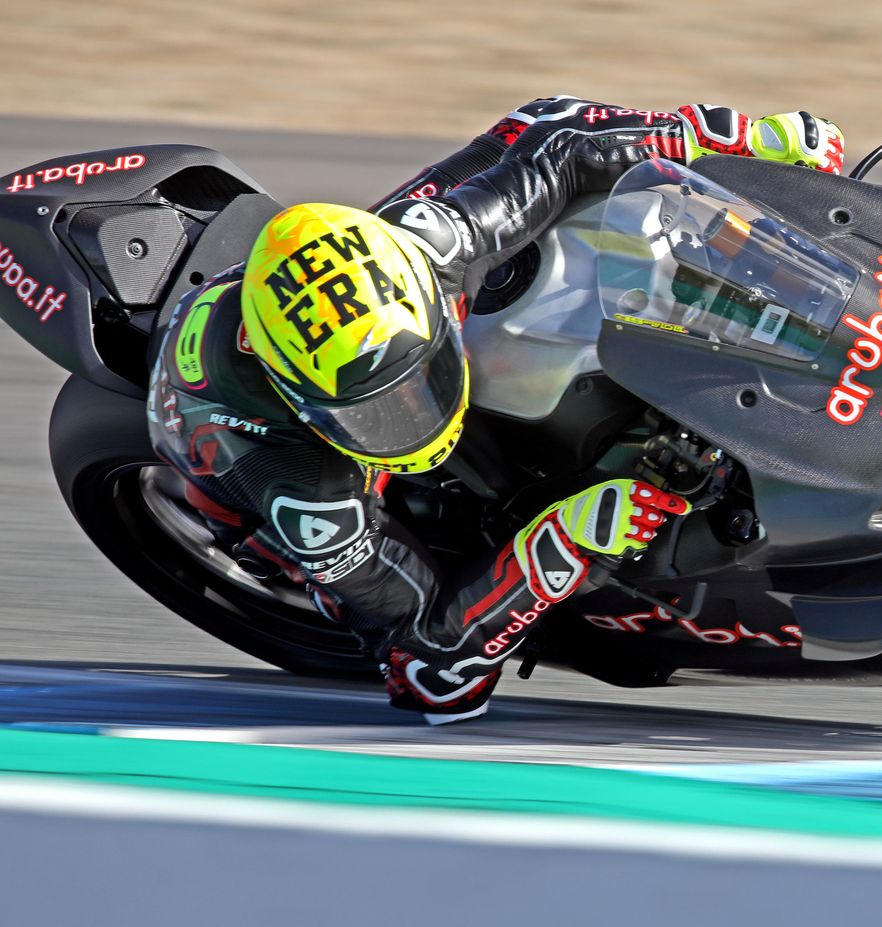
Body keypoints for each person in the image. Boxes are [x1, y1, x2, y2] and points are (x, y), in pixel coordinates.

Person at [146, 97, 846, 723]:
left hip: (338, 296)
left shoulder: (429, 244)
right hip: (267, 460)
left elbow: (559, 136)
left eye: (418, 380)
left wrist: (730, 136)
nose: (412, 414)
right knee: (334, 578)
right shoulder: (301, 484)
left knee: (541, 155)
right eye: (379, 406)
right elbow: (430, 672)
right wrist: (564, 542)